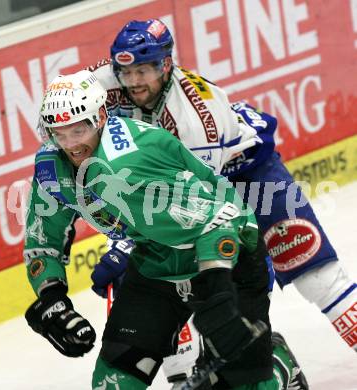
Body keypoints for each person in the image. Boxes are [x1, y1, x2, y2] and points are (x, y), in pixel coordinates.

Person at [23, 70, 307, 390]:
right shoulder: (51, 166)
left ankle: (280, 363)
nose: (71, 145)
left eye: (78, 130)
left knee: (241, 385)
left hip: (226, 253)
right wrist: (51, 297)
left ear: (100, 117)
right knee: (113, 383)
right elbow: (42, 238)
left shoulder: (134, 160)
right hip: (157, 260)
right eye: (58, 133)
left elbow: (220, 215)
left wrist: (216, 284)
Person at [88, 19, 357, 356]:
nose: (134, 82)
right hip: (183, 184)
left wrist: (128, 246)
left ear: (166, 65)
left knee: (315, 274)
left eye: (143, 71)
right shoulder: (98, 84)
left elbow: (198, 202)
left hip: (249, 174)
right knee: (173, 284)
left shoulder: (197, 116)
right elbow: (59, 120)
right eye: (126, 72)